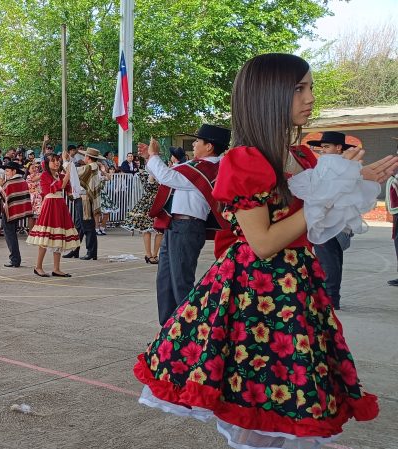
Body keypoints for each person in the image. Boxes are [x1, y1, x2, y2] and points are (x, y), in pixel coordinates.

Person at [135, 52, 390, 449]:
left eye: (310, 88)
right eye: (299, 89)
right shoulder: (247, 160)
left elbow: (317, 231)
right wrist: (330, 192)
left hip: (296, 285)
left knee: (286, 393)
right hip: (258, 292)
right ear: (267, 95)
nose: (309, 98)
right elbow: (265, 241)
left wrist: (355, 185)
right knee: (259, 395)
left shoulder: (303, 156)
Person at [142, 124, 230, 325]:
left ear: (209, 147)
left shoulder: (207, 167)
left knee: (180, 282)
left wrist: (153, 156)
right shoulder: (199, 166)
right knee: (165, 281)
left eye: (198, 141)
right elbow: (168, 176)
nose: (195, 144)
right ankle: (167, 332)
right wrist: (151, 157)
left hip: (186, 227)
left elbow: (167, 177)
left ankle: (184, 331)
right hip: (176, 225)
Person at [307, 131, 357, 310]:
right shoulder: (329, 166)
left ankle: (330, 300)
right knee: (331, 261)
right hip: (327, 220)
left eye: (327, 147)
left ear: (338, 148)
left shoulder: (342, 167)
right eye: (322, 147)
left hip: (331, 221)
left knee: (330, 263)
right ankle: (331, 299)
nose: (323, 151)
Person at [26, 153, 80, 277]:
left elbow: (67, 188)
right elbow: (59, 186)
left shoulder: (59, 174)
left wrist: (72, 188)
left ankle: (56, 268)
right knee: (45, 237)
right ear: (47, 163)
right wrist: (67, 174)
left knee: (58, 236)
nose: (56, 163)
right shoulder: (44, 175)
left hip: (60, 204)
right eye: (53, 161)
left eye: (58, 160)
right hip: (50, 205)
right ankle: (38, 266)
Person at [121, 165, 163, 264]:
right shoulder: (145, 174)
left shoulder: (160, 173)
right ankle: (149, 255)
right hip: (149, 203)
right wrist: (153, 175)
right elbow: (149, 187)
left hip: (159, 202)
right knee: (147, 229)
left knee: (160, 230)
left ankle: (154, 254)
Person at [0, 161, 32, 268]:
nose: (6, 173)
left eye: (7, 171)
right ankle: (16, 258)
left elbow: (0, 195)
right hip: (17, 211)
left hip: (9, 212)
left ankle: (15, 259)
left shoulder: (9, 183)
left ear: (14, 171)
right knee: (12, 234)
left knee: (10, 235)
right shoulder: (22, 181)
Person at [73, 148, 106, 260]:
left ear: (88, 157)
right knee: (80, 226)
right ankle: (76, 250)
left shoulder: (91, 167)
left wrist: (66, 162)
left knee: (87, 226)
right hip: (83, 197)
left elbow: (75, 172)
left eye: (85, 156)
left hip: (85, 199)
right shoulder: (93, 167)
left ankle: (91, 251)